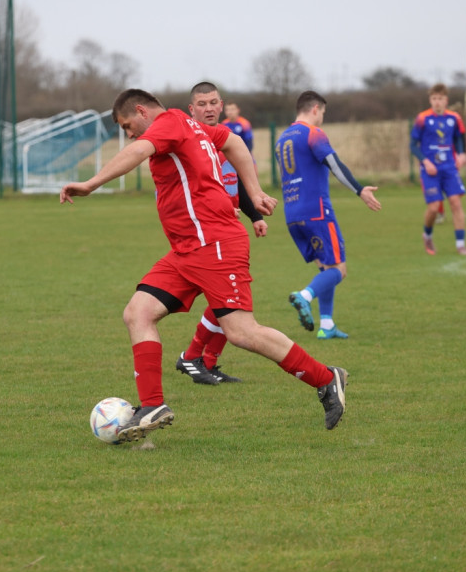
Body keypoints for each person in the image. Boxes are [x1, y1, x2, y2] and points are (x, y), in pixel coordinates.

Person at [60, 89, 349, 442]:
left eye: (127, 125)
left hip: (214, 245)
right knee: (138, 312)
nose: (130, 134)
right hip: (185, 250)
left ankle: (325, 378)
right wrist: (254, 192)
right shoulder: (189, 124)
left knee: (242, 332)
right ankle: (153, 405)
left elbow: (138, 151)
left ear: (140, 110)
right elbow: (236, 144)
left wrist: (91, 183)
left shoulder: (167, 124)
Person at [174, 82, 268, 386]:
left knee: (228, 297)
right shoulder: (183, 139)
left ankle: (203, 361)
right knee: (227, 297)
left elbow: (234, 179)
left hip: (225, 227)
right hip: (198, 232)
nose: (209, 109)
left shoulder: (223, 138)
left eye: (214, 102)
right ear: (192, 109)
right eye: (202, 104)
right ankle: (193, 357)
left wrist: (254, 214)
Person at [275, 90, 381, 339]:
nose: (322, 116)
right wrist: (359, 190)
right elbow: (334, 164)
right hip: (317, 211)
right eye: (322, 111)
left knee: (326, 268)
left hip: (292, 214)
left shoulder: (282, 138)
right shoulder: (313, 133)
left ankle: (327, 324)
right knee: (339, 270)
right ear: (315, 109)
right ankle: (305, 295)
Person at [410, 83, 466, 255]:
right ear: (430, 100)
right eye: (434, 99)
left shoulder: (454, 118)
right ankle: (427, 235)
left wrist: (462, 154)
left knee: (456, 203)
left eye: (440, 99)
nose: (437, 102)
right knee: (434, 208)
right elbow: (413, 145)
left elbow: (460, 138)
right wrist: (425, 162)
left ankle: (460, 244)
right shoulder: (422, 118)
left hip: (450, 167)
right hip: (430, 170)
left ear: (446, 100)